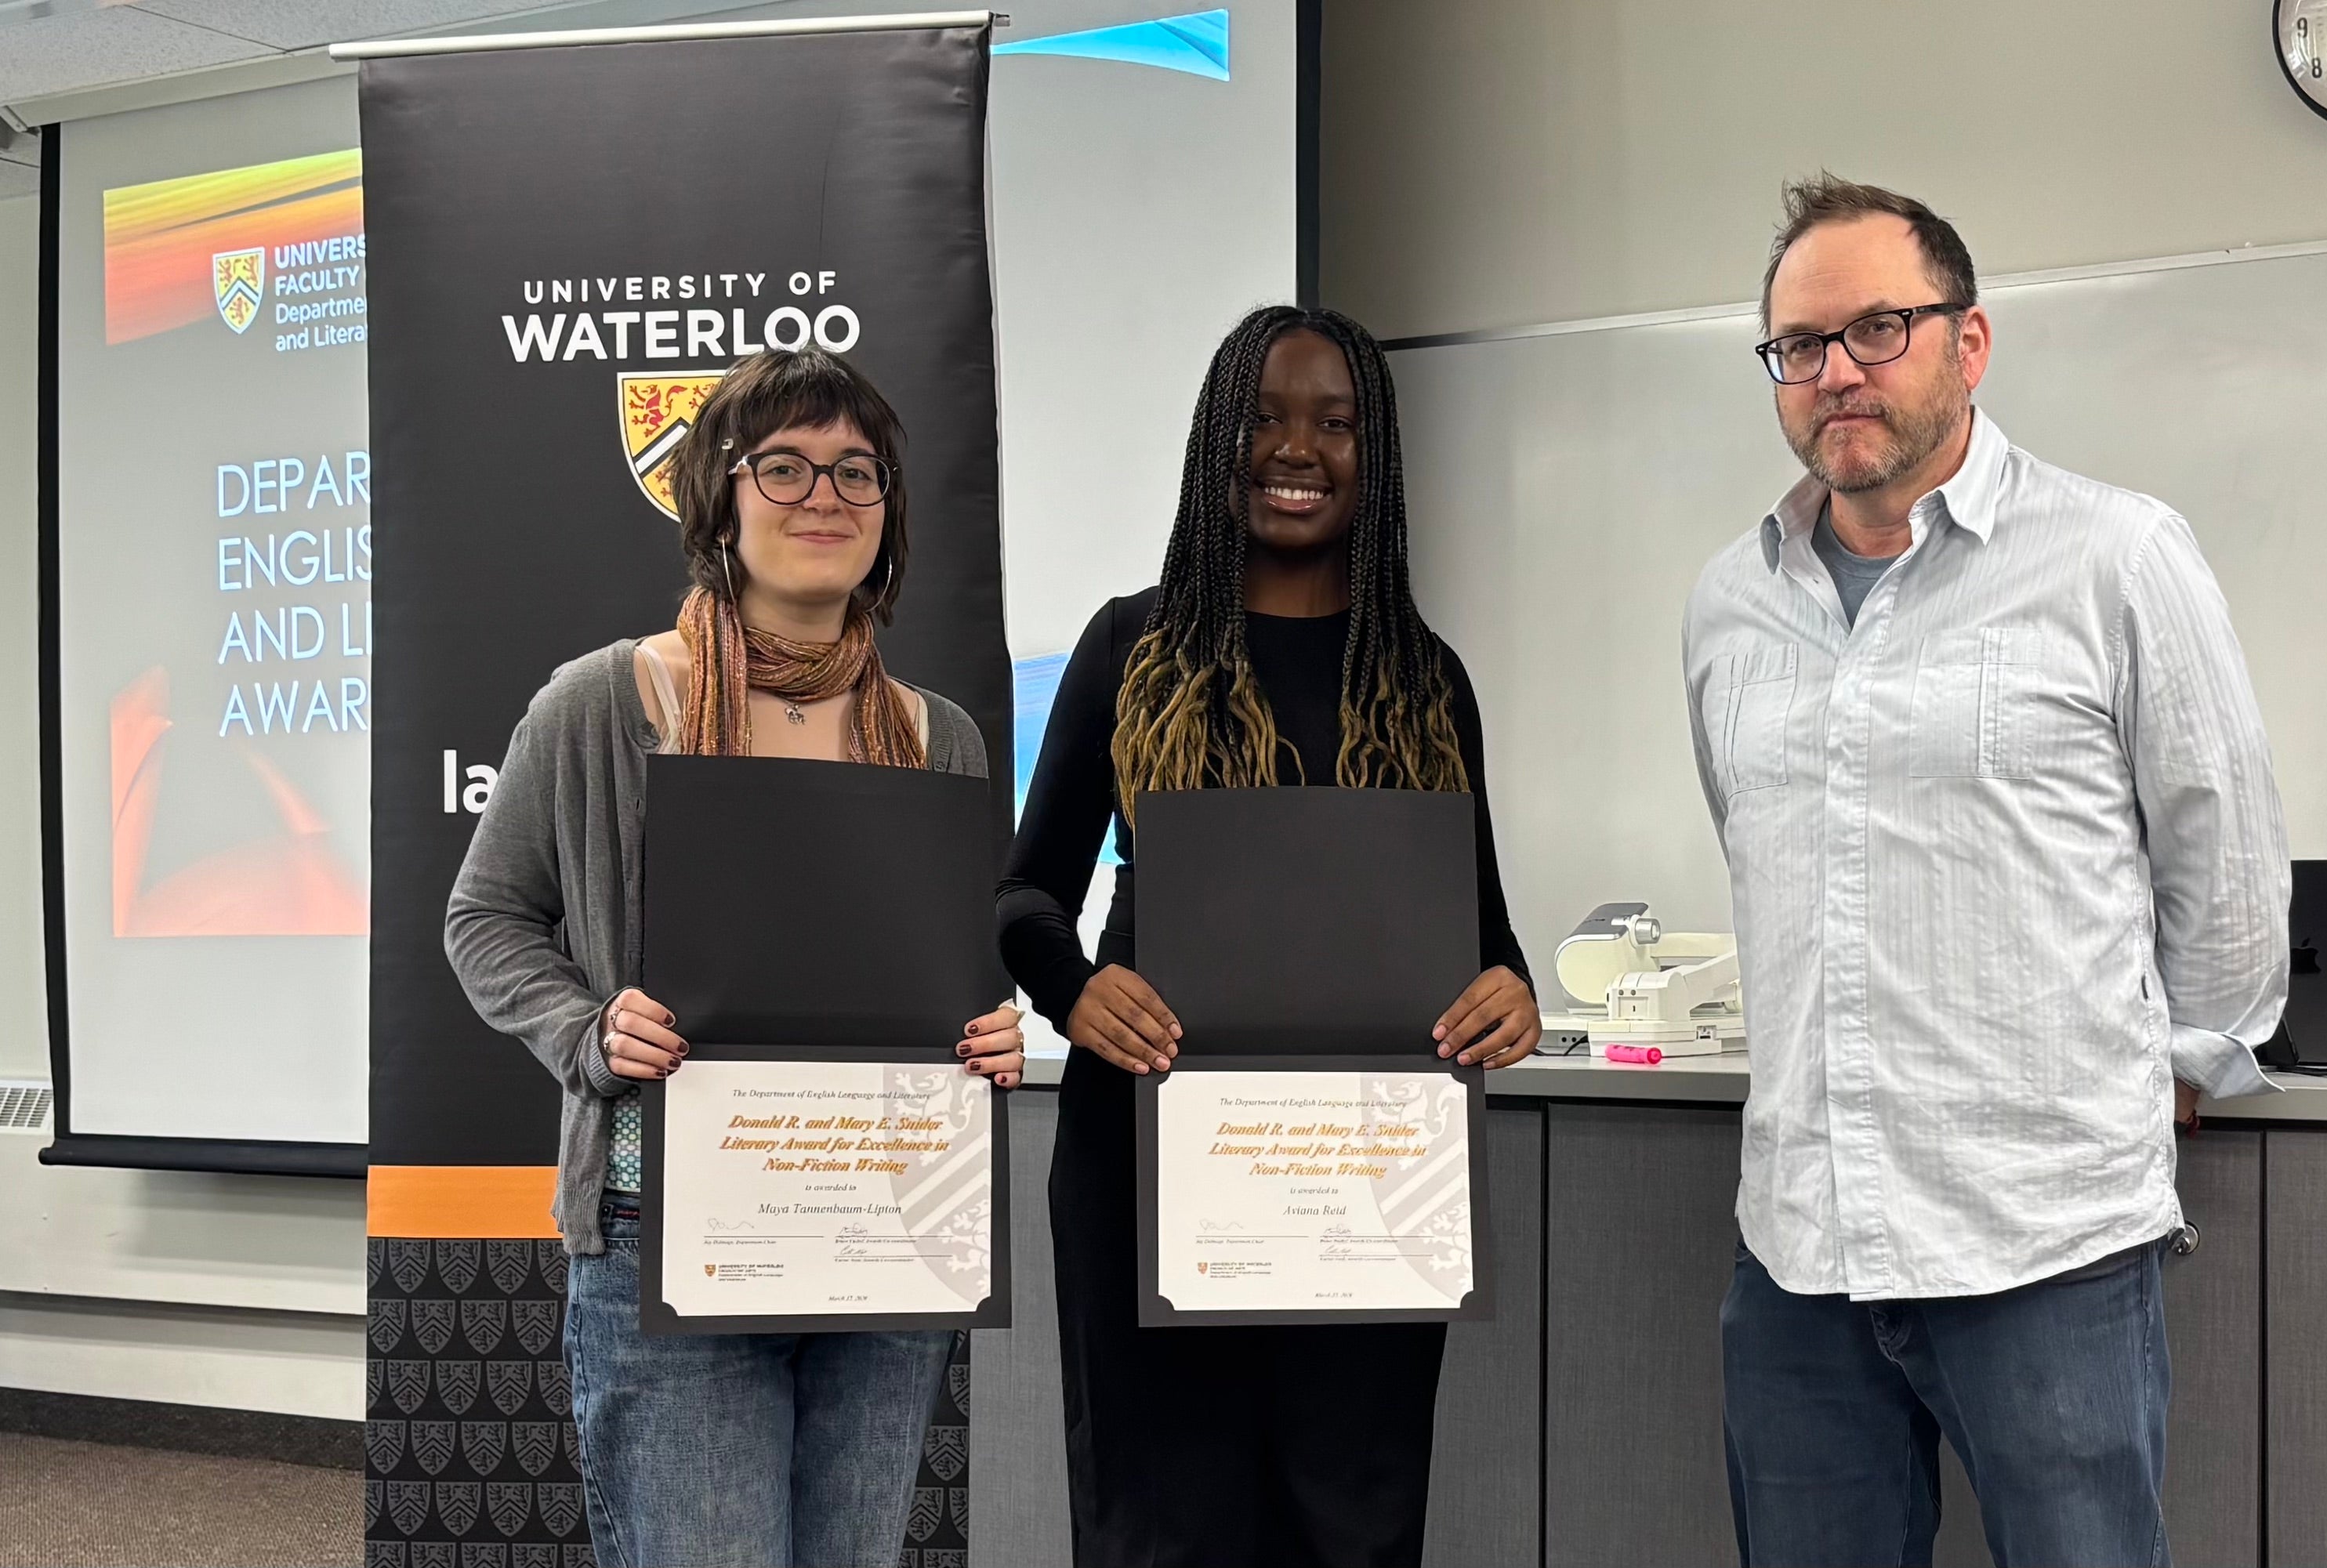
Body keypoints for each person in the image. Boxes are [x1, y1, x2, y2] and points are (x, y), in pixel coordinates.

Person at [1684, 175, 2289, 1568]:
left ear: (1970, 342)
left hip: (2045, 1246)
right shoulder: (1729, 603)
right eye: (1798, 344)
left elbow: (2228, 860)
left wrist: (2178, 1060)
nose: (1835, 370)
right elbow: (1760, 846)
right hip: (1800, 1253)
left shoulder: (2116, 556)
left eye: (1878, 327)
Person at [444, 346, 1025, 1568]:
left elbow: (950, 964)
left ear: (890, 509)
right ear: (720, 490)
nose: (825, 496)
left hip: (882, 1234)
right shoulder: (604, 705)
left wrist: (989, 1025)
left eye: (857, 471)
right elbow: (486, 919)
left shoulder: (943, 738)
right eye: (785, 465)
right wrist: (590, 1031)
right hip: (672, 1237)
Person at [998, 305, 1539, 1566]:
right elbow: (1024, 898)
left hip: (1366, 1186)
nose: (1298, 447)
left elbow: (1490, 937)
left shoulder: (1425, 677)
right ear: (1216, 440)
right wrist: (1074, 989)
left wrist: (1506, 993)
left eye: (1336, 422)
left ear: (1376, 454)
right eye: (1266, 416)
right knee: (1160, 1530)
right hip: (1146, 1163)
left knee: (1352, 1526)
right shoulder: (1133, 647)